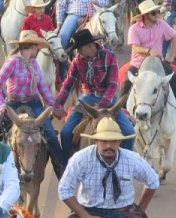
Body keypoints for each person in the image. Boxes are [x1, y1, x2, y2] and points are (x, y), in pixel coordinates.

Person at [56, 28, 135, 161]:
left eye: (79, 48)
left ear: (89, 46)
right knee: (65, 132)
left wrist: (102, 103)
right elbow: (68, 83)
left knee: (129, 132)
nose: (78, 52)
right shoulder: (77, 60)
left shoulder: (109, 57)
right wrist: (58, 104)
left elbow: (112, 84)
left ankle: (125, 163)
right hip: (87, 98)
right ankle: (66, 165)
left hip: (108, 99)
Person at [0, 30, 63, 173]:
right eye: (36, 47)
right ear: (30, 47)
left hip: (34, 103)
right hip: (14, 103)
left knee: (50, 134)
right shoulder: (12, 62)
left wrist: (53, 106)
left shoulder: (34, 64)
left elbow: (42, 86)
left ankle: (61, 168)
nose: (37, 50)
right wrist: (1, 104)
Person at [126, 0, 176, 123]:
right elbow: (135, 47)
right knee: (126, 84)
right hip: (139, 62)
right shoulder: (134, 29)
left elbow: (175, 38)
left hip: (158, 62)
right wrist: (149, 51)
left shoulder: (161, 24)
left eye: (157, 12)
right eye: (153, 13)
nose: (157, 15)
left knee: (175, 80)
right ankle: (122, 115)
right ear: (145, 15)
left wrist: (171, 56)